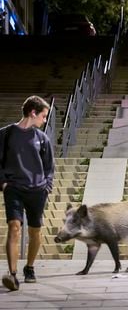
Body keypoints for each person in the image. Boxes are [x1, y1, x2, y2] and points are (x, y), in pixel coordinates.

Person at [0, 96, 54, 291]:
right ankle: (12, 274)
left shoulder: (42, 138)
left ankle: (29, 267)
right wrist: (3, 183)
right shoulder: (5, 134)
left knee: (35, 231)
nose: (45, 120)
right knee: (14, 227)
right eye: (43, 116)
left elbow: (49, 167)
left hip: (37, 190)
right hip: (13, 188)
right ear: (33, 112)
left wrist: (47, 186)